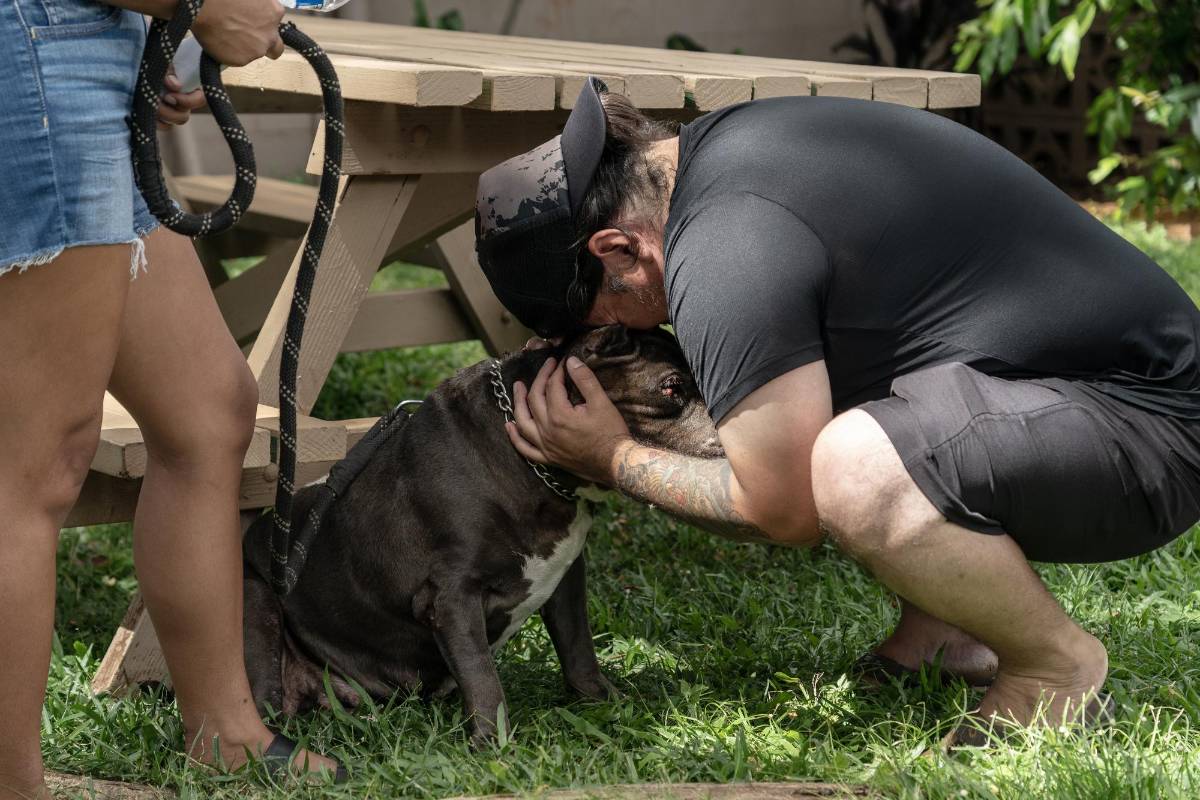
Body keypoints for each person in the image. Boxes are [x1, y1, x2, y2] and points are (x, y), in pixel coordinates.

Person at [471, 78, 1200, 744]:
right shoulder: (721, 150)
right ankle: (942, 637)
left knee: (853, 468)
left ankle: (1056, 671)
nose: (632, 337)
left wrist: (610, 457)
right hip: (1081, 394)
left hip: (1150, 430)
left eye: (607, 322)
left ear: (618, 249)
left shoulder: (724, 244)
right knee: (816, 378)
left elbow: (780, 508)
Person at [0, 1, 343, 796]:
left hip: (87, 40)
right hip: (38, 47)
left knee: (208, 409)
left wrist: (143, 30)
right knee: (34, 465)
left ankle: (224, 732)